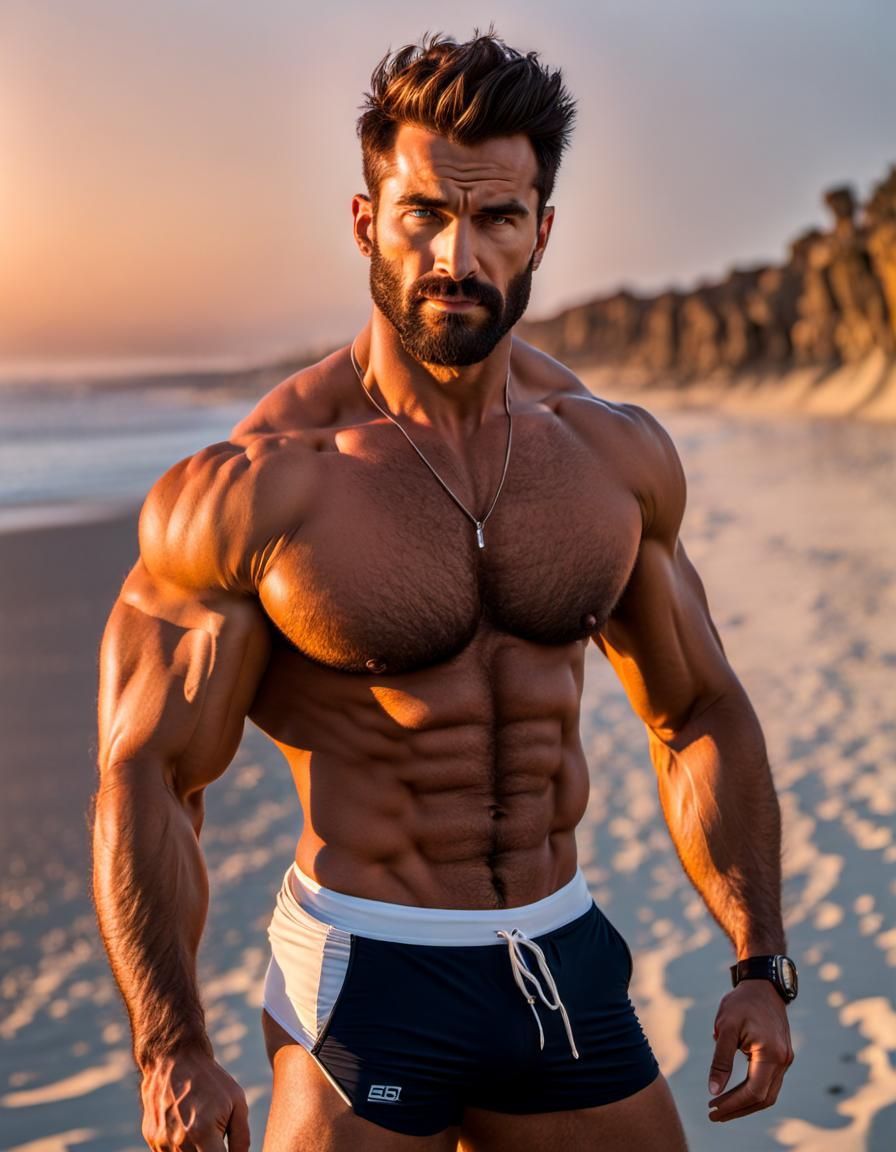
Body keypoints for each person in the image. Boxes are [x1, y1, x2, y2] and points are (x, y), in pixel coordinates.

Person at [92, 31, 795, 1152]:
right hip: (365, 973)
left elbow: (699, 710)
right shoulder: (261, 485)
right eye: (423, 213)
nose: (456, 255)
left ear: (541, 231)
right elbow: (149, 772)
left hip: (558, 953)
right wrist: (169, 1045)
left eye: (498, 218)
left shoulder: (608, 458)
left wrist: (759, 963)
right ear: (365, 220)